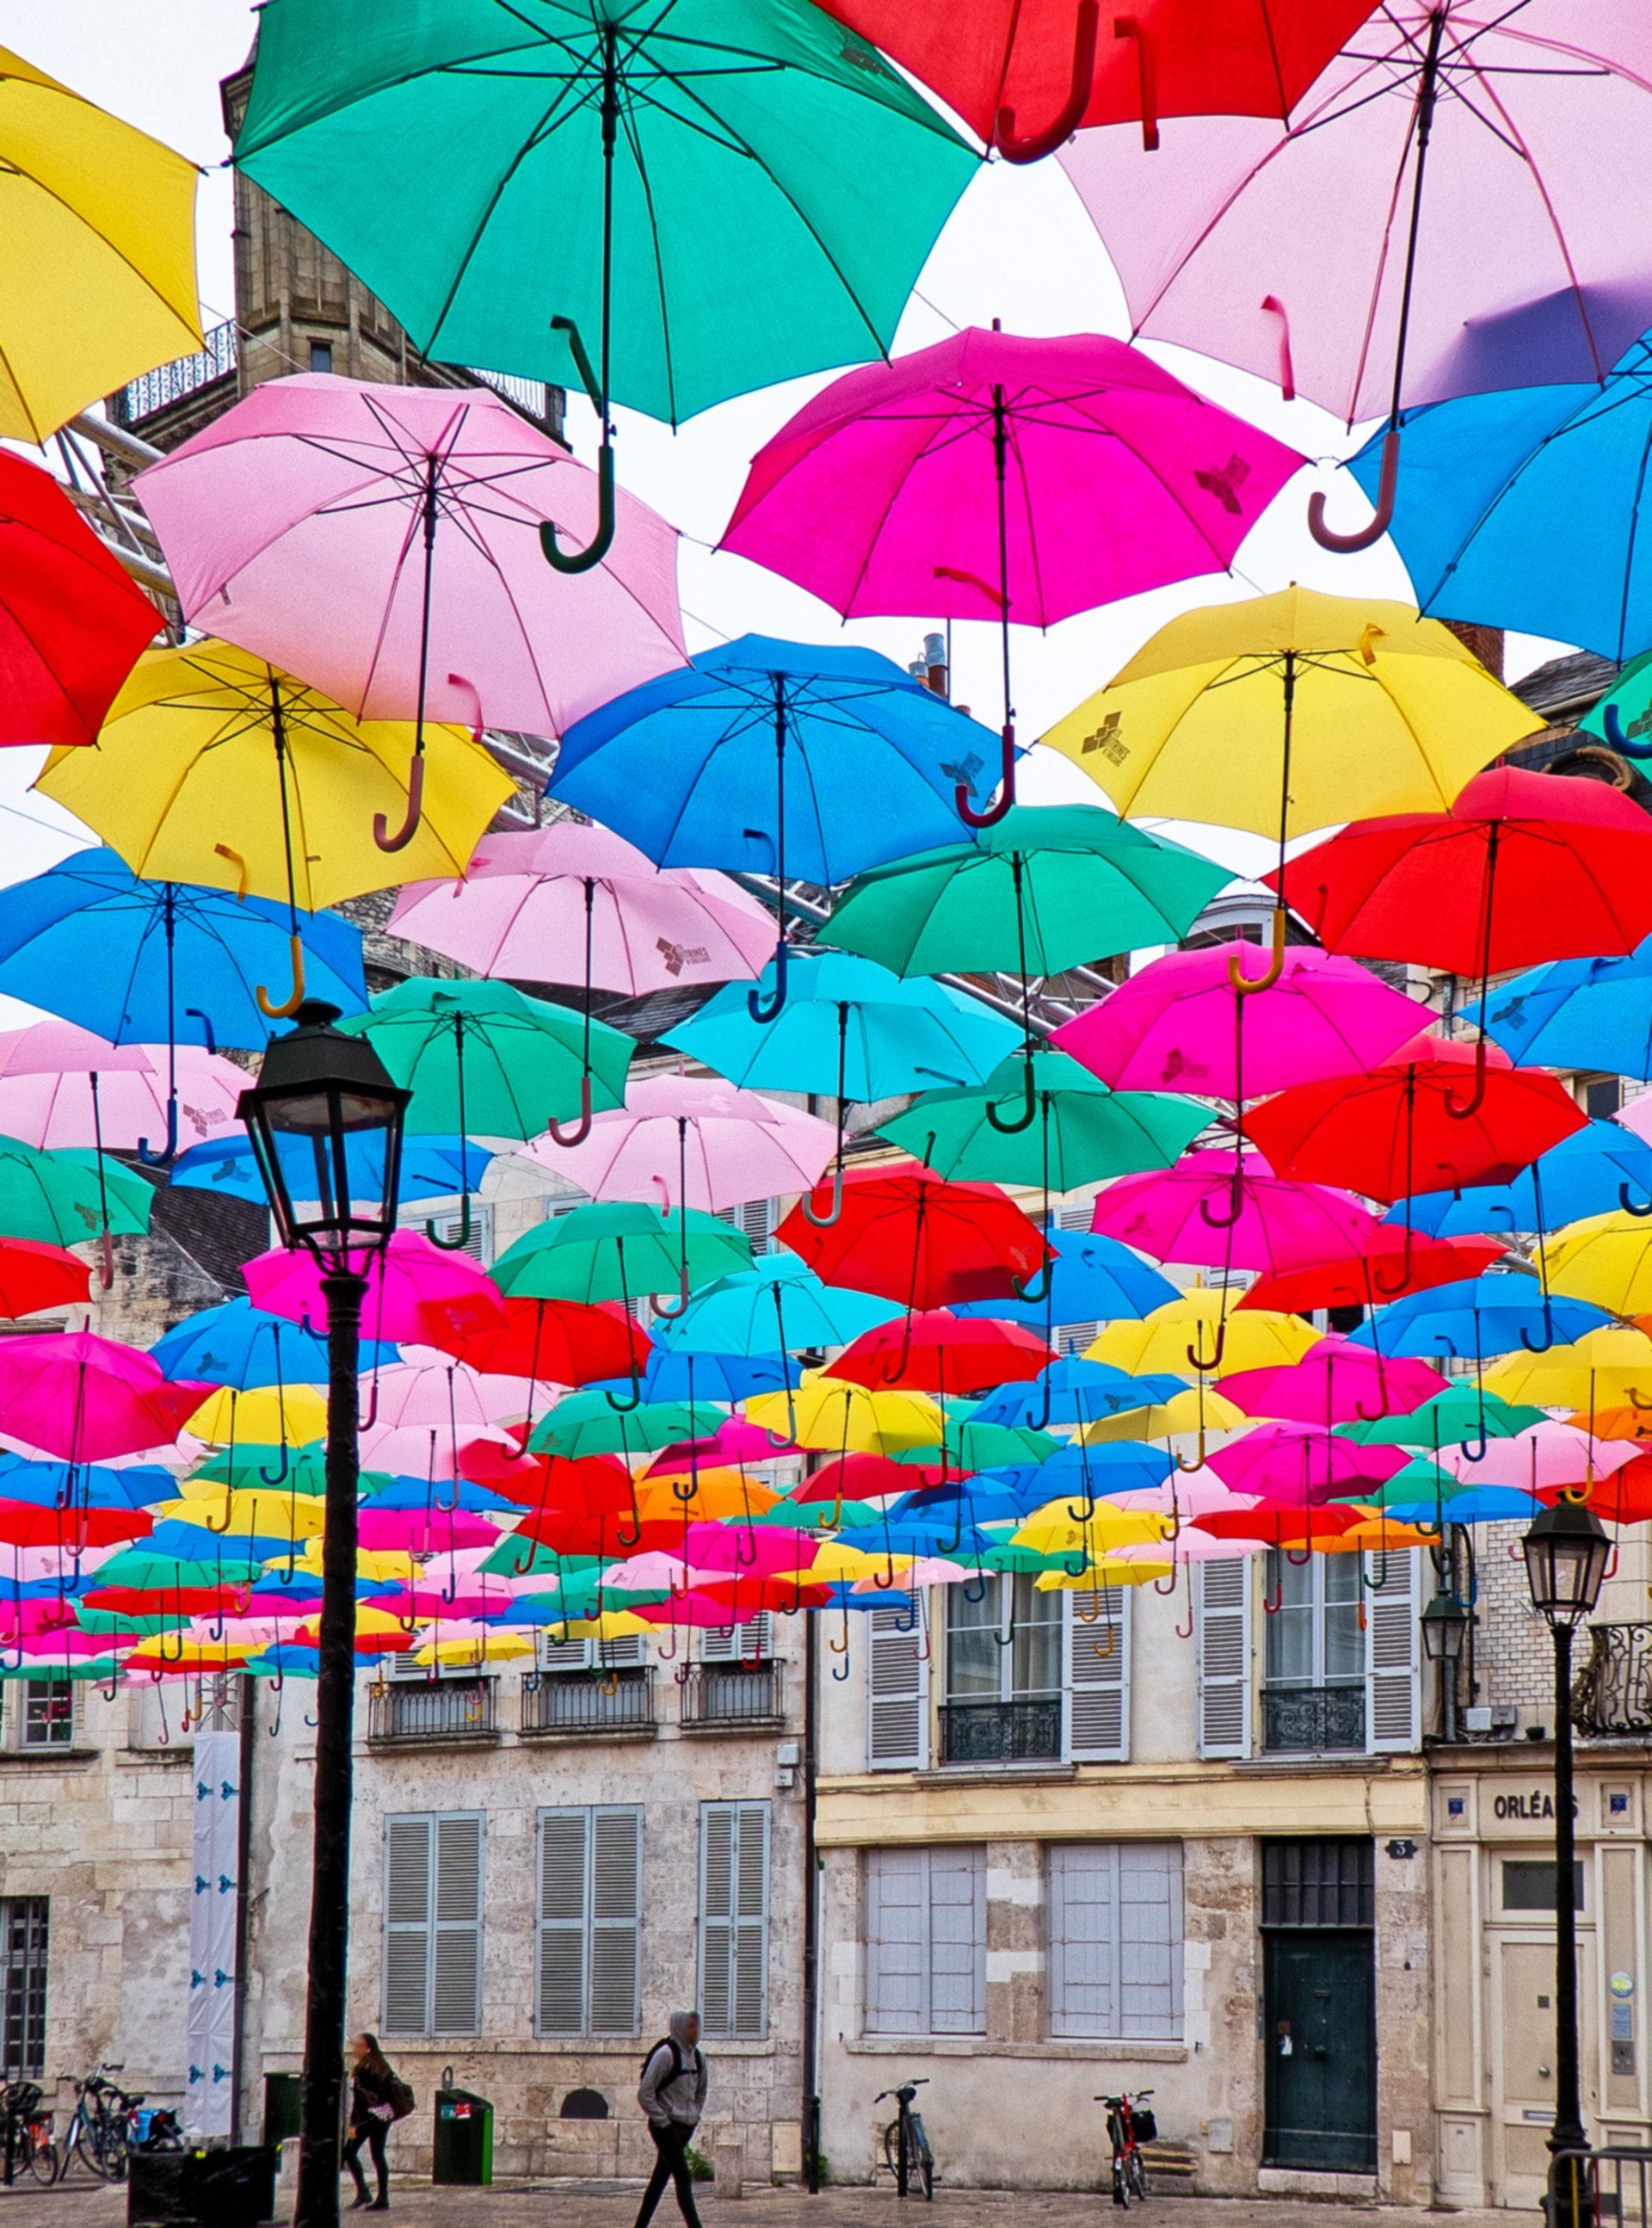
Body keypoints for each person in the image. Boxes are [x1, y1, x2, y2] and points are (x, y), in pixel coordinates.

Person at [634, 2010, 708, 2228]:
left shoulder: (698, 2058)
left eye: (696, 2026)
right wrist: (663, 2121)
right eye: (690, 2026)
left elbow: (701, 2092)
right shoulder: (666, 2055)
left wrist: (694, 2114)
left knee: (659, 2179)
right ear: (680, 2028)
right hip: (665, 2127)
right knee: (683, 2177)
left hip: (685, 2127)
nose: (695, 2031)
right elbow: (645, 2093)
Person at [343, 2032, 398, 2212]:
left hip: (368, 2119)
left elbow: (360, 2102)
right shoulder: (382, 2066)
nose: (354, 2049)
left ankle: (364, 2192)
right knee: (378, 2155)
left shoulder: (363, 2070)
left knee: (348, 2152)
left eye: (358, 2046)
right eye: (354, 2045)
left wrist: (353, 2125)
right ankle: (382, 2197)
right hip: (383, 2117)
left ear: (368, 2049)